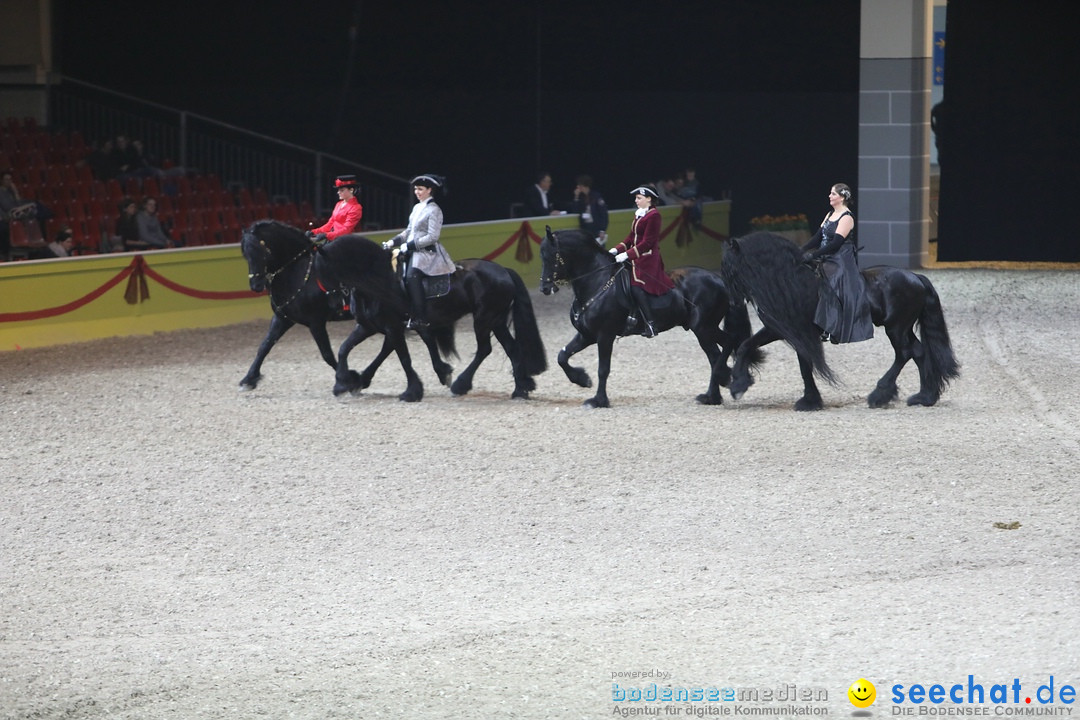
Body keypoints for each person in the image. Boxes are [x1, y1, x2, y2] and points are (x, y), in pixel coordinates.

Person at [800, 182, 873, 344]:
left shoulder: (847, 217)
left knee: (833, 280)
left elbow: (836, 243)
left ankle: (832, 326)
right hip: (825, 255)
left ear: (841, 197)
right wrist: (801, 250)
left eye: (833, 194)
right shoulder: (829, 214)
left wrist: (813, 255)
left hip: (840, 257)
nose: (830, 196)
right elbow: (818, 237)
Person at [382, 174, 456, 329]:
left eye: (420, 189)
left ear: (429, 190)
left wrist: (409, 246)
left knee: (411, 276)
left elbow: (432, 236)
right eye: (415, 189)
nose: (417, 192)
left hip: (426, 253)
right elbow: (408, 231)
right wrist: (392, 242)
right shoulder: (417, 208)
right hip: (411, 250)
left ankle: (421, 317)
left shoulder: (434, 210)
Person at [608, 184, 675, 338]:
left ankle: (651, 323)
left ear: (649, 199)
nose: (636, 201)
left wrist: (627, 255)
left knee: (636, 286)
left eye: (639, 198)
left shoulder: (654, 216)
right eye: (636, 198)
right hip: (636, 256)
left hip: (648, 258)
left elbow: (647, 243)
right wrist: (617, 249)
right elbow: (631, 238)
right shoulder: (639, 214)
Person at [308, 175, 363, 243]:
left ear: (351, 190)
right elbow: (330, 224)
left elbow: (346, 230)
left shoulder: (355, 208)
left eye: (342, 190)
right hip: (333, 238)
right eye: (338, 190)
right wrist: (314, 232)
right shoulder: (338, 204)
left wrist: (326, 235)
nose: (338, 192)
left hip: (344, 241)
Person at [570, 174, 609, 245]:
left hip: (596, 228)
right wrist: (576, 197)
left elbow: (603, 214)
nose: (578, 187)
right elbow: (575, 211)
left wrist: (602, 230)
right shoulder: (580, 197)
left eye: (579, 185)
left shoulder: (596, 196)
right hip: (585, 229)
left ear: (583, 185)